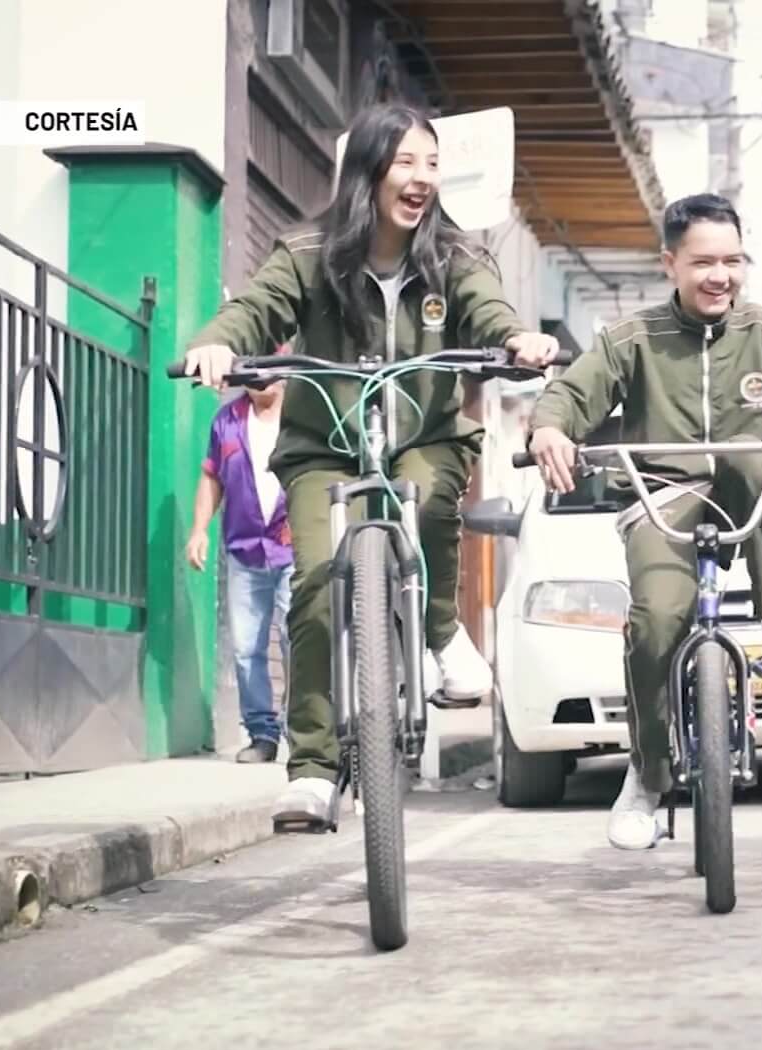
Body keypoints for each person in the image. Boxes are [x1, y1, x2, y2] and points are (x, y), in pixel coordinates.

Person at [180, 103, 561, 826]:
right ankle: (315, 769)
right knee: (318, 585)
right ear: (368, 173)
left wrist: (516, 338)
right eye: (404, 163)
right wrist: (217, 344)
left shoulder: (455, 259)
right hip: (324, 442)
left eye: (431, 163)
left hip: (423, 432)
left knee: (430, 496)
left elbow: (488, 310)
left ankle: (441, 628)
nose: (421, 179)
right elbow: (256, 310)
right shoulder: (308, 252)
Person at [524, 193, 762, 850]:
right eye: (703, 262)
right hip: (662, 492)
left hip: (746, 490)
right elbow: (573, 393)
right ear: (671, 265)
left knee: (757, 459)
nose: (720, 275)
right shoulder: (632, 339)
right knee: (656, 622)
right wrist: (550, 427)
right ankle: (647, 775)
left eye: (732, 260)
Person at [187, 373, 293, 764]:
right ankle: (262, 735)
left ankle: (303, 731)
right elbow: (211, 477)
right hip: (244, 549)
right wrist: (199, 530)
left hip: (292, 545)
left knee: (295, 639)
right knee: (247, 648)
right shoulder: (226, 420)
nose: (261, 380)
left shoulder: (301, 418)